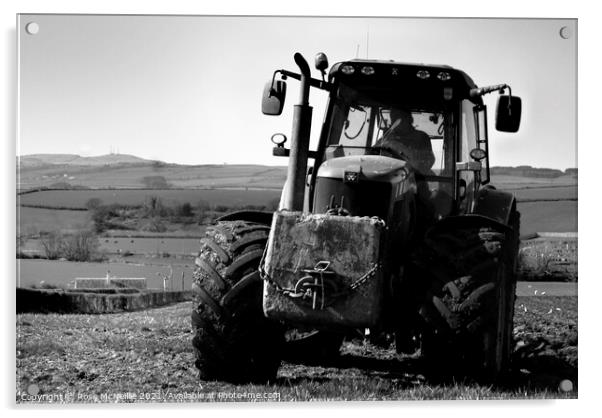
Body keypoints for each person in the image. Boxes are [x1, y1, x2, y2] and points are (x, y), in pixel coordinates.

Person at [374, 108, 435, 174]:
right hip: (389, 177)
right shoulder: (387, 137)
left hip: (414, 179)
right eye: (393, 119)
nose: (394, 122)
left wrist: (400, 148)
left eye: (398, 118)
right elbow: (370, 155)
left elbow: (428, 162)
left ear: (409, 119)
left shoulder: (421, 137)